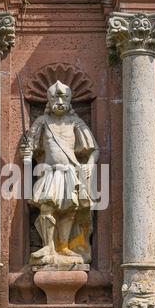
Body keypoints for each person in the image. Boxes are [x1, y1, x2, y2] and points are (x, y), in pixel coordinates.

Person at [20, 80, 99, 266]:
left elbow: (94, 149)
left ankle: (63, 246)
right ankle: (48, 245)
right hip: (49, 171)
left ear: (70, 100)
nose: (60, 100)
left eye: (64, 97)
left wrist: (90, 164)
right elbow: (30, 148)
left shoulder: (76, 123)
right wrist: (26, 155)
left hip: (70, 171)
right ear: (49, 99)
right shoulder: (41, 122)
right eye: (56, 96)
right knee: (47, 206)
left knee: (69, 210)